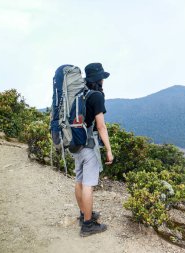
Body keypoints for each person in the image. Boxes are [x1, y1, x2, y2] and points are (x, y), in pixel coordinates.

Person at [73, 62, 114, 237]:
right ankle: (88, 225)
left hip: (75, 143)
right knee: (88, 184)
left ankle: (84, 214)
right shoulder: (96, 96)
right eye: (102, 78)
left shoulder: (78, 93)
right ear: (98, 79)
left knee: (79, 180)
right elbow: (101, 126)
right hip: (89, 145)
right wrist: (109, 150)